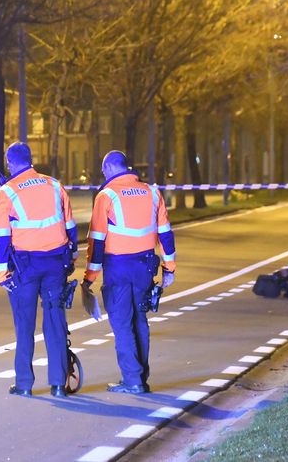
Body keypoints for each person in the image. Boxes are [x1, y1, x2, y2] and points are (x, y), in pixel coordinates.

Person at [81, 150, 176, 394]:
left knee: (122, 323)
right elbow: (165, 234)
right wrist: (169, 268)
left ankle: (133, 380)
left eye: (104, 169)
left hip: (118, 268)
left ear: (111, 168)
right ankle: (141, 377)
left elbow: (97, 241)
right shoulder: (153, 193)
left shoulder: (107, 195)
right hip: (145, 267)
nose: (103, 174)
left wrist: (89, 278)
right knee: (140, 321)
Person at [0, 142, 78, 398]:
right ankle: (59, 384)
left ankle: (25, 384)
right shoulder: (54, 185)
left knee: (25, 325)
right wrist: (71, 256)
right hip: (56, 265)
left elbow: (1, 236)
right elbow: (70, 226)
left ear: (10, 162)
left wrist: (1, 272)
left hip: (25, 268)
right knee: (55, 322)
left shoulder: (7, 192)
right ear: (30, 160)